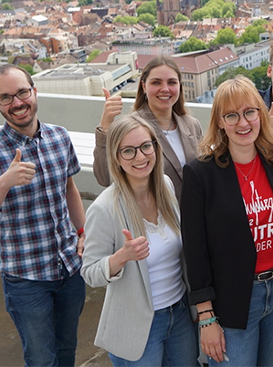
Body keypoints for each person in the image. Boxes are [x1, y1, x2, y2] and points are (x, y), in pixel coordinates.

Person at [181, 76, 273, 366]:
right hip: (233, 300)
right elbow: (195, 251)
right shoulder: (200, 174)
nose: (243, 123)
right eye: (232, 115)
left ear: (261, 115)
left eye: (250, 112)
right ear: (219, 122)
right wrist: (206, 317)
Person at [0, 64, 86, 367]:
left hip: (69, 268)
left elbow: (70, 189)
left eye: (22, 92)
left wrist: (84, 235)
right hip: (26, 278)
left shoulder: (59, 137)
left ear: (34, 91)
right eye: (6, 97)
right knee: (42, 358)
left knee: (67, 348)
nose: (17, 103)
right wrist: (5, 181)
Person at [82, 116, 197, 366]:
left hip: (178, 315)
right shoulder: (104, 208)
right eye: (128, 151)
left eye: (146, 146)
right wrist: (121, 257)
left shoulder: (165, 186)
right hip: (138, 326)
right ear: (116, 157)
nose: (140, 156)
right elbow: (90, 273)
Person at [94, 56, 203, 202]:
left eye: (171, 82)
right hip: (155, 218)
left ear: (179, 86)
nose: (165, 89)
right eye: (156, 82)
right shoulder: (132, 128)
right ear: (144, 86)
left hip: (193, 217)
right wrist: (105, 126)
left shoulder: (192, 125)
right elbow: (105, 178)